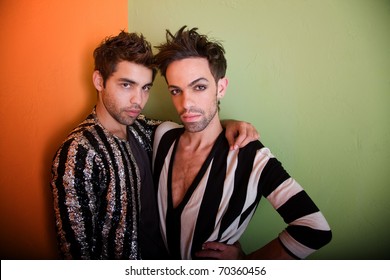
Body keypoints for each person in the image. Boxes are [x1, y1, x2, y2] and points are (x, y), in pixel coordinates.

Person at [50, 30, 259, 260]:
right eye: (126, 85)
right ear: (99, 81)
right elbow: (75, 254)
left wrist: (230, 123)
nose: (138, 100)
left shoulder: (144, 130)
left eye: (145, 87)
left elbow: (195, 125)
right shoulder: (79, 152)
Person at [152, 26, 332, 260]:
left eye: (199, 87)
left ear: (221, 88)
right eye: (176, 91)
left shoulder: (250, 156)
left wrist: (246, 263)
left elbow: (314, 228)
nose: (186, 103)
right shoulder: (162, 136)